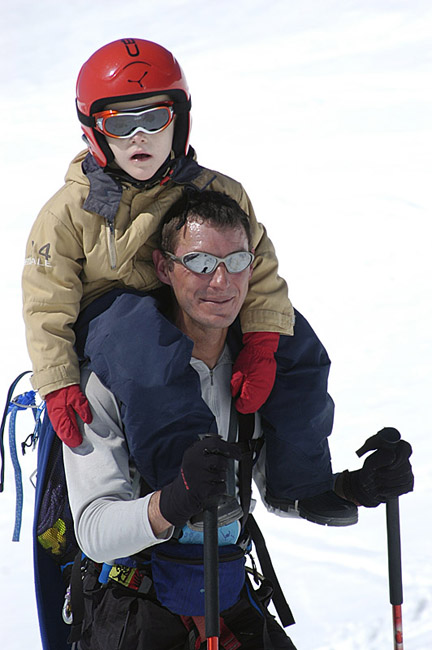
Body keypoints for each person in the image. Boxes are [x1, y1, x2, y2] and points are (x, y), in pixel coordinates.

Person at [39, 190, 412, 650]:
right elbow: (95, 531)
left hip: (226, 591)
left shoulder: (255, 369)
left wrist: (357, 487)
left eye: (236, 261)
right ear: (164, 268)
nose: (221, 281)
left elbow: (274, 494)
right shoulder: (113, 377)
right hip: (131, 607)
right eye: (198, 262)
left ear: (252, 269)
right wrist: (172, 502)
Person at [22, 36, 293, 452]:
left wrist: (262, 340)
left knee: (298, 342)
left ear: (179, 120)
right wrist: (57, 381)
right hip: (111, 320)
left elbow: (258, 264)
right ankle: (182, 482)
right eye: (120, 124)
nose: (139, 137)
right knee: (146, 342)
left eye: (154, 119)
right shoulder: (68, 212)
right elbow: (46, 302)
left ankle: (301, 482)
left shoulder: (217, 191)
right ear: (95, 133)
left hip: (193, 295)